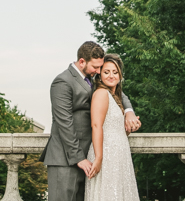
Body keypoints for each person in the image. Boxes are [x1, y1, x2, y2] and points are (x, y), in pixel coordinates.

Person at [41, 42, 141, 201]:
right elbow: (64, 123)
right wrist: (79, 158)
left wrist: (129, 112)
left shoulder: (93, 79)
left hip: (88, 157)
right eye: (96, 67)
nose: (99, 71)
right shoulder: (62, 82)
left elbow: (120, 93)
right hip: (65, 158)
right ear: (82, 62)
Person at [84, 53, 140, 201]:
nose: (111, 76)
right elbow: (96, 126)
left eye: (115, 72)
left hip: (120, 156)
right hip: (107, 156)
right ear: (99, 74)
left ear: (120, 75)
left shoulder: (116, 97)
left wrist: (129, 127)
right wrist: (99, 158)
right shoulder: (101, 93)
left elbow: (114, 128)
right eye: (106, 72)